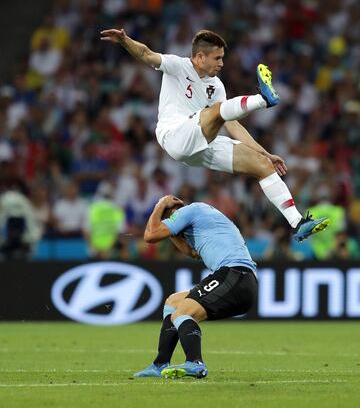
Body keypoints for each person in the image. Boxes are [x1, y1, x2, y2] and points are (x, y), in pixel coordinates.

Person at [100, 27, 329, 242]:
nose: (221, 63)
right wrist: (125, 40)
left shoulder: (216, 86)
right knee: (216, 111)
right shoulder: (177, 66)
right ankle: (262, 99)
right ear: (200, 57)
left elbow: (232, 124)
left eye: (222, 58)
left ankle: (297, 223)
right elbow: (146, 54)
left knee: (262, 165)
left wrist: (266, 153)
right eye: (217, 58)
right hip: (174, 136)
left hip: (201, 142)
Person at [133, 194, 258, 379]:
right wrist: (172, 231)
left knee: (183, 313)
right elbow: (191, 253)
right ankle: (160, 363)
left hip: (234, 275)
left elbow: (150, 235)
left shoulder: (191, 210)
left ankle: (195, 363)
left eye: (170, 219)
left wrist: (159, 206)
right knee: (173, 302)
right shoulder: (204, 219)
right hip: (240, 280)